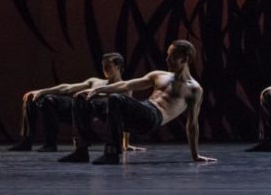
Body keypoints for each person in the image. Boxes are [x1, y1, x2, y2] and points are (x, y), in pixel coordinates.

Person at [58, 40, 215, 165]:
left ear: (185, 59)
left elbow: (192, 124)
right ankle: (81, 151)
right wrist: (98, 90)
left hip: (152, 117)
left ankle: (112, 153)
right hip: (140, 110)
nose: (167, 59)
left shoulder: (194, 89)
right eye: (167, 55)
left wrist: (195, 155)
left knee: (116, 98)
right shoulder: (159, 75)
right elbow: (127, 84)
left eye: (172, 56)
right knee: (80, 99)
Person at [9, 52, 127, 152]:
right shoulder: (95, 81)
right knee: (39, 98)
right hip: (77, 109)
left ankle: (50, 144)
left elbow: (124, 115)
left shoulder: (124, 86)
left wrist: (125, 142)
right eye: (103, 65)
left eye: (108, 66)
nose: (104, 69)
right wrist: (41, 91)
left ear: (118, 66)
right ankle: (28, 141)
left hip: (93, 116)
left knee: (83, 104)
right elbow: (67, 88)